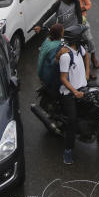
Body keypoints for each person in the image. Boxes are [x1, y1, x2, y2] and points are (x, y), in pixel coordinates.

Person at [59, 24, 90, 164]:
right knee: (72, 121)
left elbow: (87, 56)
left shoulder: (80, 49)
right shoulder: (66, 56)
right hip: (70, 94)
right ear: (76, 39)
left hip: (83, 89)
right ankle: (68, 151)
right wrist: (75, 92)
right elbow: (63, 78)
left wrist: (87, 73)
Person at [37, 23, 65, 98]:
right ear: (59, 34)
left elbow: (41, 59)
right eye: (62, 31)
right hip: (51, 76)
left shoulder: (47, 41)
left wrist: (39, 74)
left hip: (44, 73)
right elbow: (54, 63)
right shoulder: (57, 47)